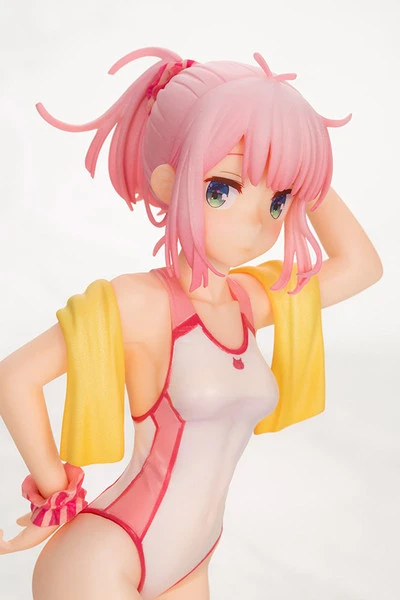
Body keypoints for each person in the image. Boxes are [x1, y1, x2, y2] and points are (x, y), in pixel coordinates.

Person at [0, 47, 382, 600]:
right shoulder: (141, 301)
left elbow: (362, 266)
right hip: (107, 555)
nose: (256, 223)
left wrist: (298, 160)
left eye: (278, 202)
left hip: (191, 562)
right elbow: (14, 377)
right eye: (223, 189)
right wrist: (55, 493)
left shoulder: (250, 302)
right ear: (167, 181)